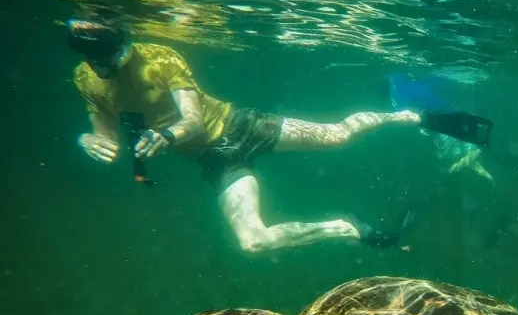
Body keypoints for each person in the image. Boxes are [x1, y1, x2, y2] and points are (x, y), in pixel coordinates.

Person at [68, 18, 486, 253]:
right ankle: (346, 228)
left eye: (110, 56)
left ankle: (414, 116)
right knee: (253, 242)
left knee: (339, 135)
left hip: (241, 127)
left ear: (124, 42)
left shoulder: (159, 59)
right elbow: (102, 132)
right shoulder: (85, 79)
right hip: (216, 160)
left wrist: (168, 137)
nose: (104, 66)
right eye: (94, 58)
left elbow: (192, 120)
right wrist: (91, 142)